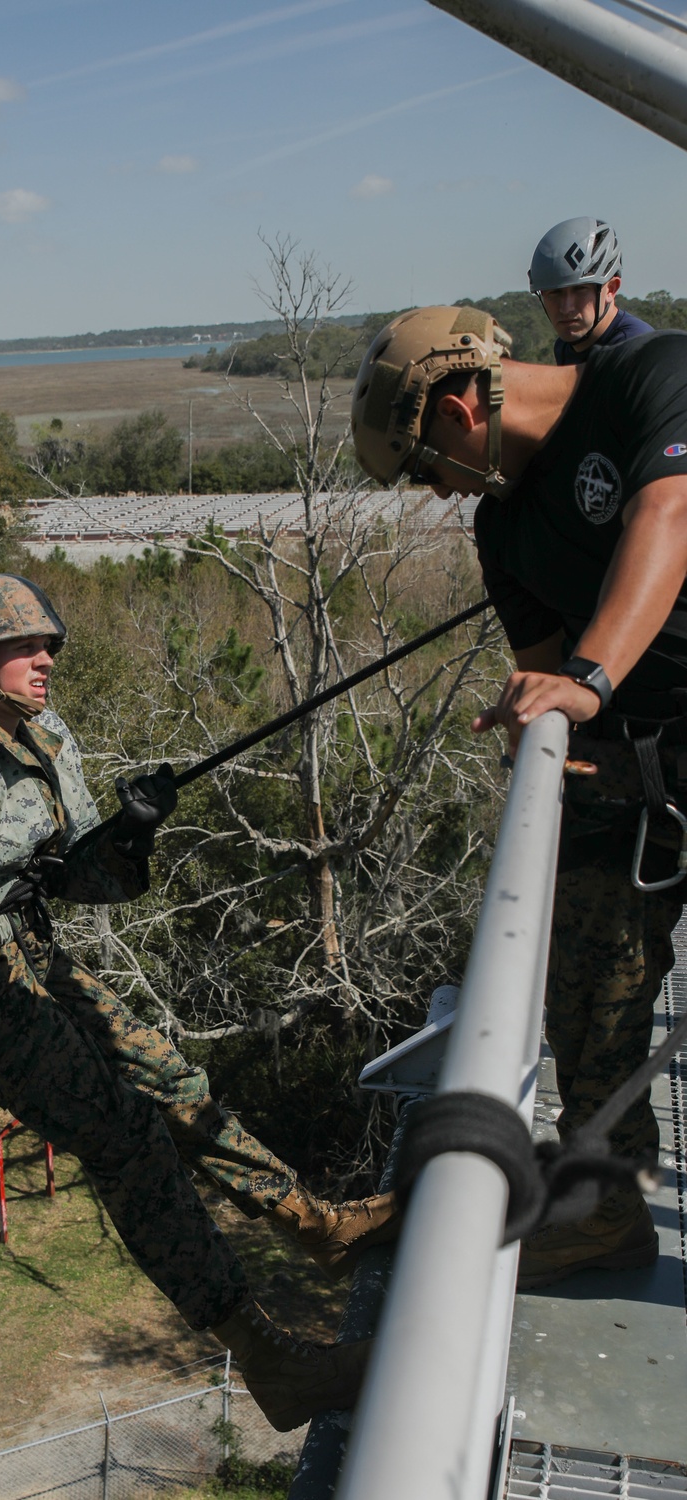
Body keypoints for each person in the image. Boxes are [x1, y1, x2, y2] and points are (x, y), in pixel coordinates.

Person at [0, 573, 396, 1430]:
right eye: (25, 645)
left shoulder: (47, 740)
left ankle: (318, 1228)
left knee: (171, 1081)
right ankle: (275, 1364)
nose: (46, 657)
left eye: (48, 643)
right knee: (125, 1138)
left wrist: (131, 831)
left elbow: (85, 877)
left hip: (26, 956)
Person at [350, 305, 687, 1287]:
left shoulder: (648, 377)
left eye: (423, 466)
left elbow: (668, 516)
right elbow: (541, 671)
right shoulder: (505, 526)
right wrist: (543, 731)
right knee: (587, 988)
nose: (437, 492)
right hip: (633, 770)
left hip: (637, 718)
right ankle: (600, 1209)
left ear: (460, 408)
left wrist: (587, 677)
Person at [529, 216, 652, 366]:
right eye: (554, 293)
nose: (566, 308)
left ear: (611, 289)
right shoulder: (564, 347)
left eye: (580, 289)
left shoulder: (636, 346)